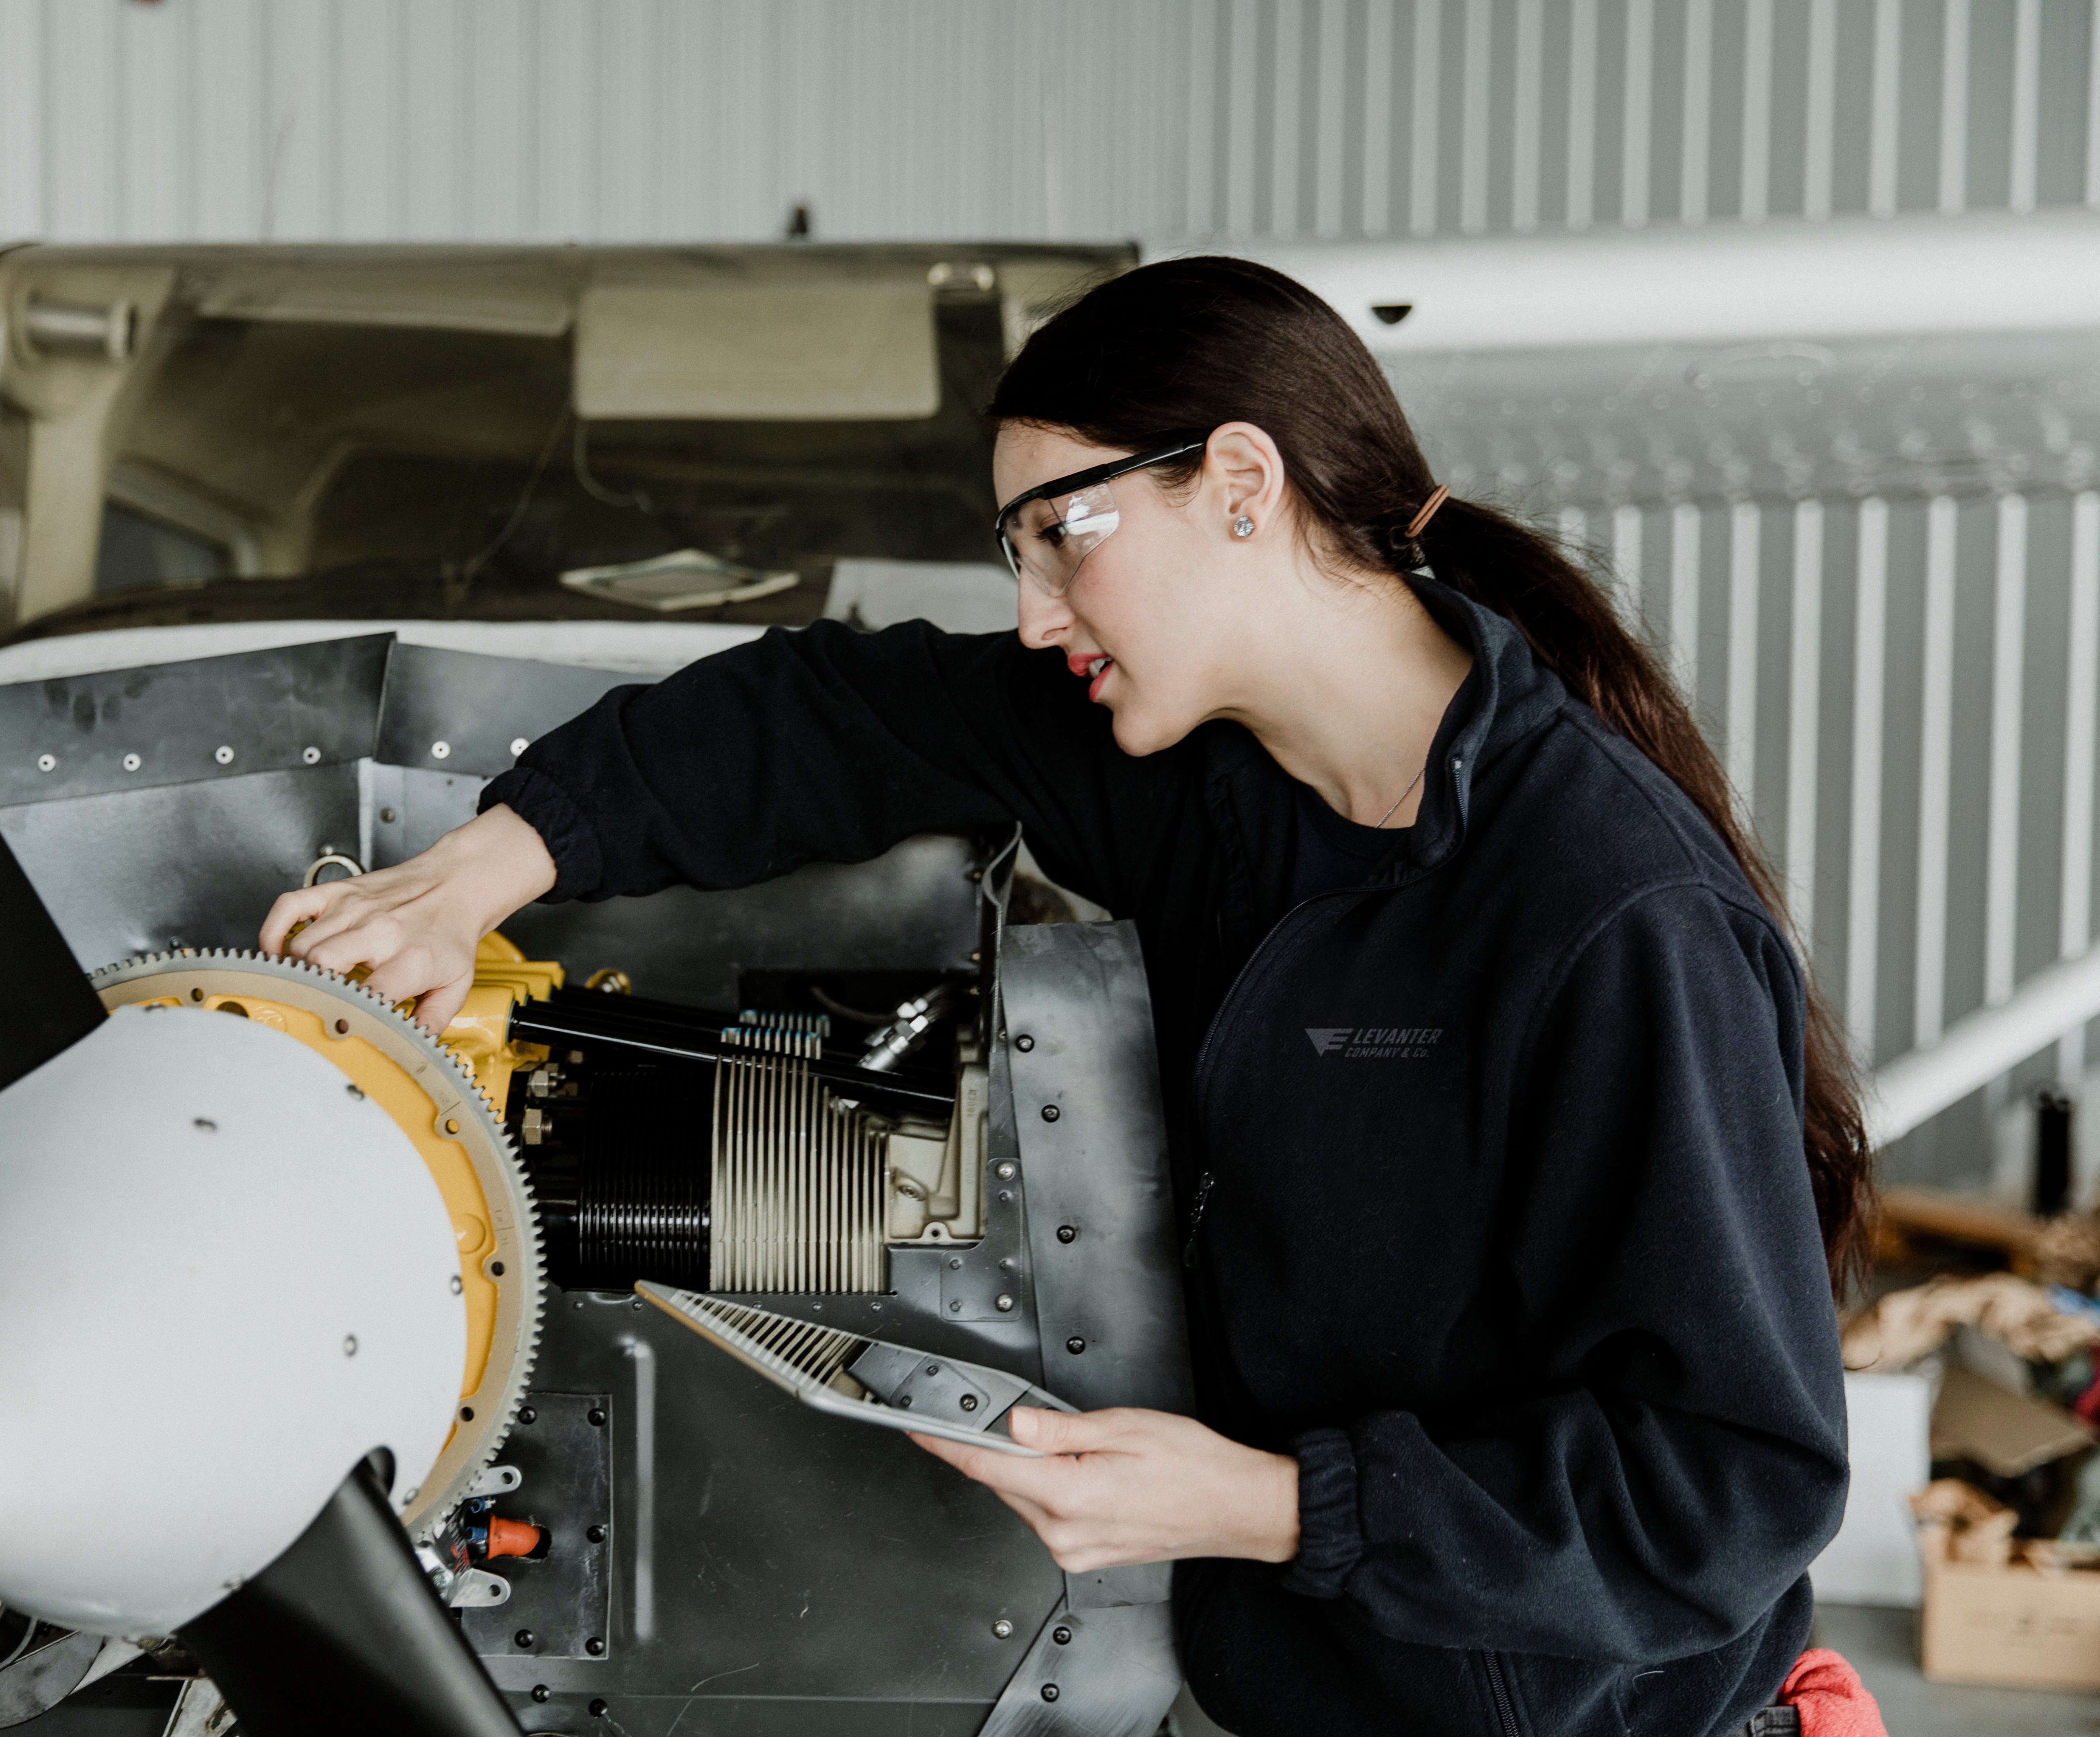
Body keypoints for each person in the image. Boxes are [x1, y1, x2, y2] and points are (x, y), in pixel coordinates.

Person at [260, 257, 1869, 1737]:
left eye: (1063, 534)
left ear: (1243, 484)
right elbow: (827, 714)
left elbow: (1725, 1492)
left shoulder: (1609, 914)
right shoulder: (1205, 786)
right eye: (1011, 554)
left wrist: (1266, 1505)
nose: (1036, 613)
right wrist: (496, 860)